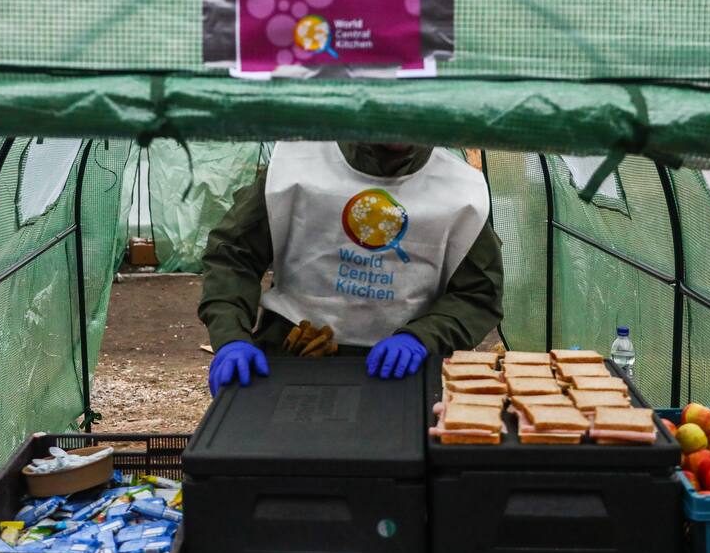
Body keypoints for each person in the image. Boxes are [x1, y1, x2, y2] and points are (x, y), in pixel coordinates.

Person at [198, 141, 504, 394]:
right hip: (290, 358)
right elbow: (233, 254)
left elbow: (477, 293)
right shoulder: (297, 164)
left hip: (404, 376)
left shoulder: (459, 192)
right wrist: (232, 338)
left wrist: (422, 338)